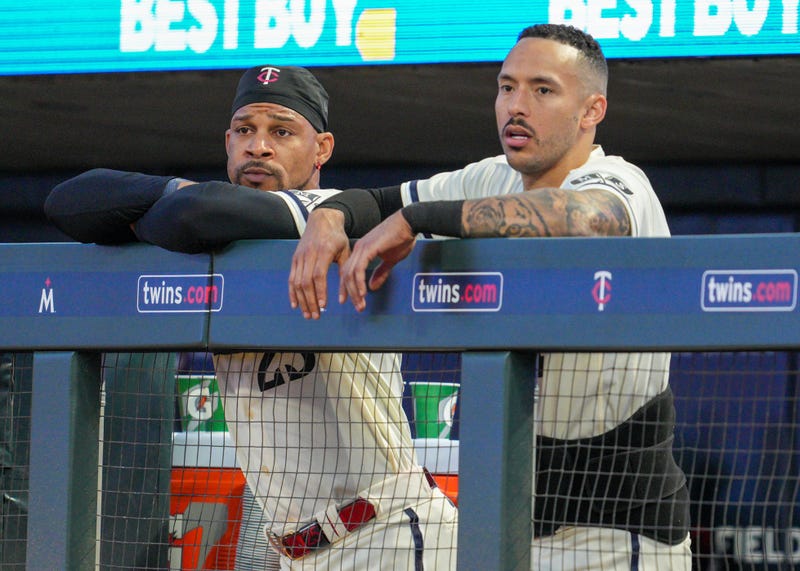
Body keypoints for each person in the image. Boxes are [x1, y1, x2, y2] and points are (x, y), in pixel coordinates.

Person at [287, 24, 693, 570]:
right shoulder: (490, 177)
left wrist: (420, 219)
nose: (515, 106)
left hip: (617, 536)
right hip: (507, 529)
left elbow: (587, 218)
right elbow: (377, 199)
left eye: (542, 90)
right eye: (506, 87)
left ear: (591, 109)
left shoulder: (618, 180)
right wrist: (328, 215)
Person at [45, 65, 457, 570]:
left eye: (281, 131)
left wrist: (160, 212)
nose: (258, 147)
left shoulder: (332, 213)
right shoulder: (228, 227)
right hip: (296, 553)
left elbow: (194, 215)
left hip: (386, 534)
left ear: (322, 148)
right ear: (227, 140)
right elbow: (67, 202)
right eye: (245, 130)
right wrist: (181, 194)